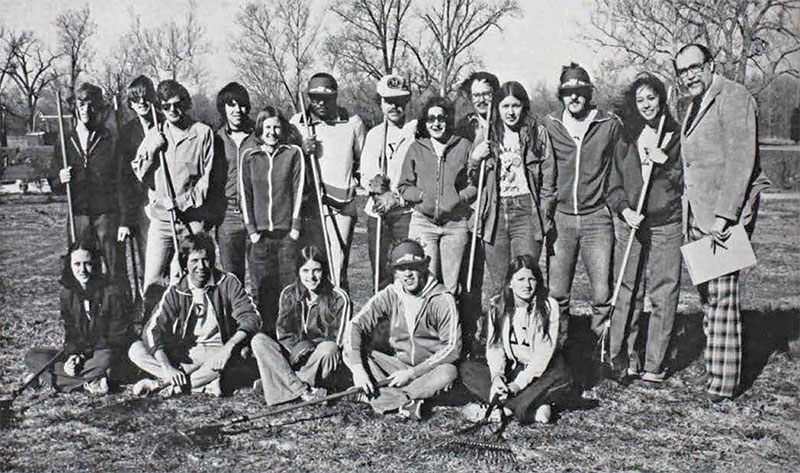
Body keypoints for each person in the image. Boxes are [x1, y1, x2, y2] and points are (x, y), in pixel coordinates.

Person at [674, 44, 771, 401]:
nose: (689, 76)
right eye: (682, 71)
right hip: (698, 214)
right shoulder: (696, 104)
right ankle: (716, 370)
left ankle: (724, 384)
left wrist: (724, 215)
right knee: (709, 298)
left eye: (694, 67)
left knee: (724, 299)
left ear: (711, 65)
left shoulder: (733, 96)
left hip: (721, 219)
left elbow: (741, 160)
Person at [605, 73, 684, 383]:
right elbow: (613, 184)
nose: (646, 105)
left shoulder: (675, 134)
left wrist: (667, 163)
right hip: (632, 223)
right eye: (640, 100)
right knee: (628, 290)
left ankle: (655, 363)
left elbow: (686, 179)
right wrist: (624, 210)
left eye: (651, 98)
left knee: (663, 292)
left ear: (661, 99)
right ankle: (622, 358)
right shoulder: (626, 137)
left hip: (666, 222)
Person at [543, 63, 622, 345]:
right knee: (557, 293)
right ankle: (557, 349)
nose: (573, 97)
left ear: (589, 93)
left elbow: (624, 161)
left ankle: (603, 350)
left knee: (601, 293)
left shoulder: (608, 123)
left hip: (596, 218)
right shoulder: (551, 124)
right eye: (567, 92)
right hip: (562, 219)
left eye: (579, 91)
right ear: (561, 95)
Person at [128, 233, 262, 397]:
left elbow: (251, 318)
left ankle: (163, 384)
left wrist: (228, 348)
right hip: (186, 350)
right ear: (185, 264)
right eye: (194, 261)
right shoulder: (177, 289)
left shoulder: (227, 282)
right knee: (136, 350)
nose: (201, 266)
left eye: (205, 260)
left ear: (212, 260)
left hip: (219, 349)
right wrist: (166, 366)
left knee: (225, 361)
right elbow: (152, 329)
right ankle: (200, 383)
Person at [344, 240, 461, 420]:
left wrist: (412, 373)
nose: (407, 274)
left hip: (428, 371)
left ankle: (382, 398)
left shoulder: (442, 299)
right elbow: (355, 325)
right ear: (394, 272)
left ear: (424, 266)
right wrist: (358, 370)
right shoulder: (391, 293)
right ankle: (409, 402)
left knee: (449, 372)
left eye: (413, 267)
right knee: (357, 353)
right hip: (398, 366)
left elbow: (452, 348)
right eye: (401, 268)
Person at [132, 80, 224, 302]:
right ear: (160, 107)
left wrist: (181, 202)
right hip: (162, 220)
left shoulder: (203, 134)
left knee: (186, 278)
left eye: (177, 104)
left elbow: (206, 181)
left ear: (186, 103)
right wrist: (153, 148)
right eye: (166, 106)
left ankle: (193, 327)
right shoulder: (156, 133)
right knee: (153, 280)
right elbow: (138, 172)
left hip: (192, 220)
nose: (172, 110)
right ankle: (153, 328)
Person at [470, 81, 556, 301]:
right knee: (500, 284)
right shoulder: (487, 134)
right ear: (497, 108)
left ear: (524, 106)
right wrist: (475, 158)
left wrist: (544, 210)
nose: (510, 112)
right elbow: (471, 177)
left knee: (526, 278)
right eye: (505, 106)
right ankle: (501, 333)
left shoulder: (537, 132)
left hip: (526, 211)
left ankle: (530, 332)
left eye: (515, 105)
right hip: (495, 214)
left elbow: (549, 174)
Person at [459, 255, 572, 424]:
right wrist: (497, 376)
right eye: (520, 279)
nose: (527, 285)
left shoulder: (549, 307)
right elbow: (494, 347)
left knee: (561, 377)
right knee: (467, 369)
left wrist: (515, 387)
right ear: (510, 283)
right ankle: (529, 406)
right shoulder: (497, 306)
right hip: (514, 369)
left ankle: (505, 409)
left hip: (542, 372)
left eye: (531, 279)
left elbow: (542, 359)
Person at [24, 237, 130, 395]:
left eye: (88, 263)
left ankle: (51, 379)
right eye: (77, 264)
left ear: (96, 264)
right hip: (84, 354)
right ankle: (89, 381)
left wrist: (84, 355)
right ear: (70, 265)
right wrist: (73, 356)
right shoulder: (67, 293)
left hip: (105, 350)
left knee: (105, 360)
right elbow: (71, 330)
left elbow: (116, 335)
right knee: (33, 356)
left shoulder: (110, 292)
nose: (83, 270)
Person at [290, 73, 366, 290]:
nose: (320, 103)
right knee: (310, 266)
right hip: (309, 207)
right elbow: (289, 161)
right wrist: (302, 151)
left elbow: (363, 159)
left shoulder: (352, 122)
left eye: (327, 98)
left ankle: (340, 315)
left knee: (336, 267)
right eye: (314, 98)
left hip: (341, 205)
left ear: (336, 96)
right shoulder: (298, 123)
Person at [249, 246, 351, 405]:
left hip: (321, 361)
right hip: (294, 356)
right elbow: (284, 334)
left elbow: (336, 340)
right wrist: (298, 352)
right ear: (298, 271)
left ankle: (280, 382)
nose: (311, 276)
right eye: (305, 270)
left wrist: (309, 349)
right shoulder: (289, 293)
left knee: (329, 349)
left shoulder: (338, 298)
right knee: (259, 340)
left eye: (316, 270)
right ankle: (304, 390)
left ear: (325, 270)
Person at [397, 96, 476, 295]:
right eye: (431, 119)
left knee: (451, 286)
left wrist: (459, 198)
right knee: (425, 282)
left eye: (441, 118)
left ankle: (450, 323)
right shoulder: (416, 148)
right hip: (423, 223)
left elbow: (474, 185)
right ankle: (425, 325)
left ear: (448, 119)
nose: (436, 123)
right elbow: (404, 186)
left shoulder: (463, 146)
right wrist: (422, 196)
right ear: (425, 122)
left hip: (455, 225)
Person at [50, 82, 126, 284]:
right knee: (81, 264)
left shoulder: (110, 139)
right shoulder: (66, 141)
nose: (86, 111)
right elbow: (53, 183)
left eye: (92, 106)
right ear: (75, 107)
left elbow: (121, 180)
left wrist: (124, 218)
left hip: (106, 214)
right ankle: (85, 311)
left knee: (113, 267)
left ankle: (117, 311)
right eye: (82, 105)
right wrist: (60, 178)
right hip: (79, 214)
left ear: (99, 108)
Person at [241, 106, 305, 335]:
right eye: (267, 127)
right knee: (262, 290)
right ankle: (264, 339)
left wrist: (295, 227)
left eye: (276, 126)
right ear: (260, 129)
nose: (272, 132)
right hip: (260, 237)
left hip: (286, 235)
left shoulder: (293, 153)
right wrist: (252, 231)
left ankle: (289, 338)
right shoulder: (249, 156)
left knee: (288, 289)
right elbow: (245, 194)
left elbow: (298, 190)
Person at [359, 74, 417, 290]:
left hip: (406, 214)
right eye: (388, 101)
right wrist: (374, 184)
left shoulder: (416, 132)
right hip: (379, 215)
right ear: (380, 102)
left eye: (400, 101)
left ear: (407, 101)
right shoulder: (374, 134)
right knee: (381, 274)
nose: (394, 106)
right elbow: (365, 174)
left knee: (409, 269)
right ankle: (383, 322)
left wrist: (397, 198)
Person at [116, 76, 161, 309]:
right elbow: (123, 178)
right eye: (136, 99)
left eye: (146, 97)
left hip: (166, 201)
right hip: (143, 206)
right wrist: (126, 219)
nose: (142, 102)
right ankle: (151, 309)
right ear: (131, 103)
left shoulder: (164, 124)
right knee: (149, 260)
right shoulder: (126, 133)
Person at [214, 82, 259, 284]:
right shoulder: (215, 139)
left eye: (242, 105)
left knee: (261, 276)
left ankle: (263, 316)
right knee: (232, 278)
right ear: (223, 108)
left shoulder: (259, 136)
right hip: (228, 216)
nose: (238, 111)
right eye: (231, 105)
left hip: (258, 214)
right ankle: (233, 316)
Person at [456, 71, 501, 143]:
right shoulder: (462, 127)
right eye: (476, 95)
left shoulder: (505, 123)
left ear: (495, 94)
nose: (481, 100)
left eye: (486, 94)